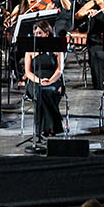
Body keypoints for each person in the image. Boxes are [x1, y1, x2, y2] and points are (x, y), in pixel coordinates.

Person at [22, 21, 65, 149]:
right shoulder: (30, 49)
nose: (36, 35)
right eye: (35, 33)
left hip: (53, 79)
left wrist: (50, 81)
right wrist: (39, 80)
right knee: (39, 92)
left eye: (39, 33)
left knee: (47, 92)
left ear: (47, 33)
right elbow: (28, 72)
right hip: (35, 80)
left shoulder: (57, 47)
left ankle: (42, 129)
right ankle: (53, 126)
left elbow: (59, 70)